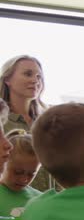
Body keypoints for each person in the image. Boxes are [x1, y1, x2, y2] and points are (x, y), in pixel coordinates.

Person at [0, 55, 50, 191]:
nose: (35, 80)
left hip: (47, 201)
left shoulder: (48, 123)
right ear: (7, 79)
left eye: (39, 77)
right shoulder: (2, 122)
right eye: (28, 74)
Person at [0, 129, 41, 218]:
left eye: (31, 174)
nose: (24, 179)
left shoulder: (40, 199)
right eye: (18, 172)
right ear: (3, 162)